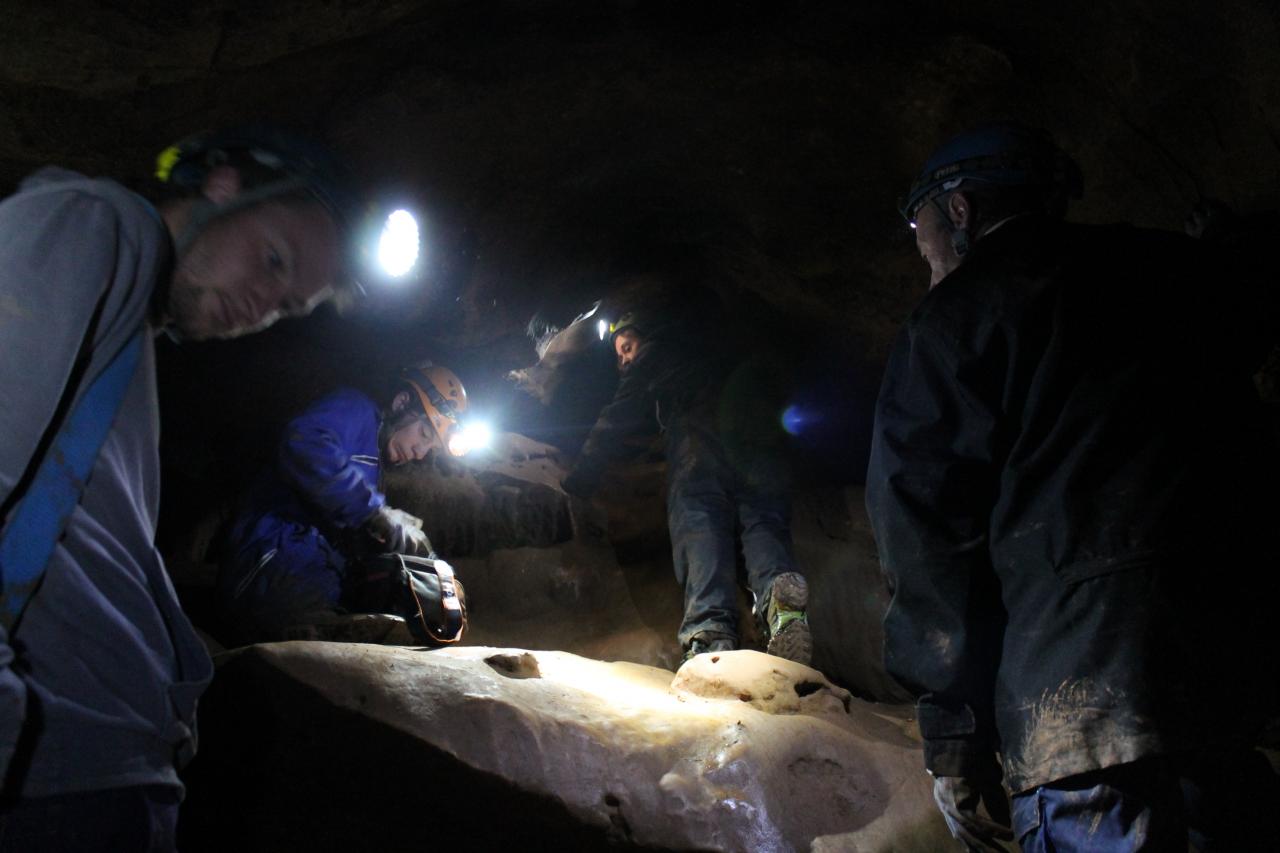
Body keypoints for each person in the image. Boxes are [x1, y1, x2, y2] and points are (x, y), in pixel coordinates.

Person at [865, 122, 1280, 851]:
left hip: (1076, 721)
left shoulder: (953, 320)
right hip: (1224, 695)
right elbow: (1254, 302)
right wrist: (1228, 242)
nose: (920, 244)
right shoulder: (1174, 271)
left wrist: (956, 738)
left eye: (920, 223)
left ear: (959, 210)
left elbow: (927, 535)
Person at [0, 126, 393, 851]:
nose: (266, 303)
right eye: (274, 258)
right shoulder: (91, 222)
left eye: (289, 302)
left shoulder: (131, 338)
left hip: (96, 761)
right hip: (46, 771)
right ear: (223, 187)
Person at [561, 290, 812, 665]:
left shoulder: (658, 352)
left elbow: (619, 416)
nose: (625, 358)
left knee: (699, 523)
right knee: (763, 521)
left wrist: (579, 478)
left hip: (700, 440)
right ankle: (781, 602)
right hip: (761, 437)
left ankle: (709, 633)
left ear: (645, 334)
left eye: (627, 346)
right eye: (619, 354)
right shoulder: (716, 342)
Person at [216, 365, 471, 645]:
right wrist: (375, 512)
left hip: (316, 577)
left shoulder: (375, 467)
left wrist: (403, 552)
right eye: (424, 433)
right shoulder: (355, 409)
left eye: (430, 448)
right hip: (270, 561)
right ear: (401, 403)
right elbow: (303, 441)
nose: (419, 452)